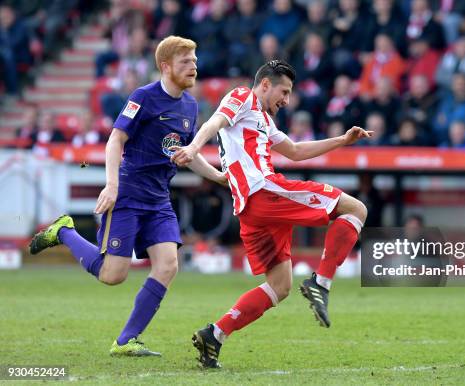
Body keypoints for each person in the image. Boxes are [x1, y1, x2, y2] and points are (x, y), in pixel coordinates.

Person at [28, 36, 226, 357]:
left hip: (159, 198)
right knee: (112, 275)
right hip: (129, 194)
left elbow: (188, 153)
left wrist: (218, 176)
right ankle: (64, 230)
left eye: (194, 60)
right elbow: (115, 140)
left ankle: (126, 341)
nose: (194, 67)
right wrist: (112, 185)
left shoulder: (190, 106)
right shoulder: (143, 97)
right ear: (165, 67)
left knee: (167, 266)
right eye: (185, 62)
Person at [170, 60, 371, 369]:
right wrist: (194, 147)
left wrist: (342, 140)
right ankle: (321, 283)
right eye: (284, 91)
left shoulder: (262, 118)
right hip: (264, 190)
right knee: (356, 209)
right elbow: (214, 123)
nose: (286, 100)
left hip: (251, 211)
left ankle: (215, 334)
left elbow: (295, 151)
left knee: (280, 286)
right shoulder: (242, 97)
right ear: (265, 84)